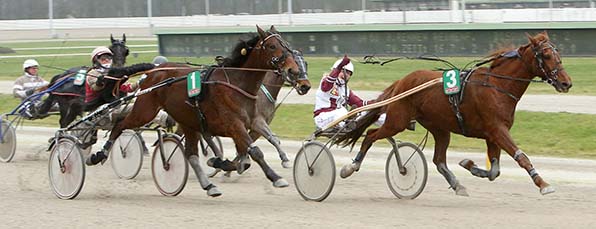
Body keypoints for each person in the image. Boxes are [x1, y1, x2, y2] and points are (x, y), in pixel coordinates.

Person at [313, 55, 385, 131]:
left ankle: (390, 123)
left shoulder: (346, 90)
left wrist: (379, 101)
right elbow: (327, 85)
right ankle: (349, 122)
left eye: (349, 73)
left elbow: (360, 104)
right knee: (341, 111)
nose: (346, 75)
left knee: (370, 113)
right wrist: (340, 66)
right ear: (336, 70)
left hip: (341, 118)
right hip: (323, 118)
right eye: (344, 71)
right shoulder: (326, 81)